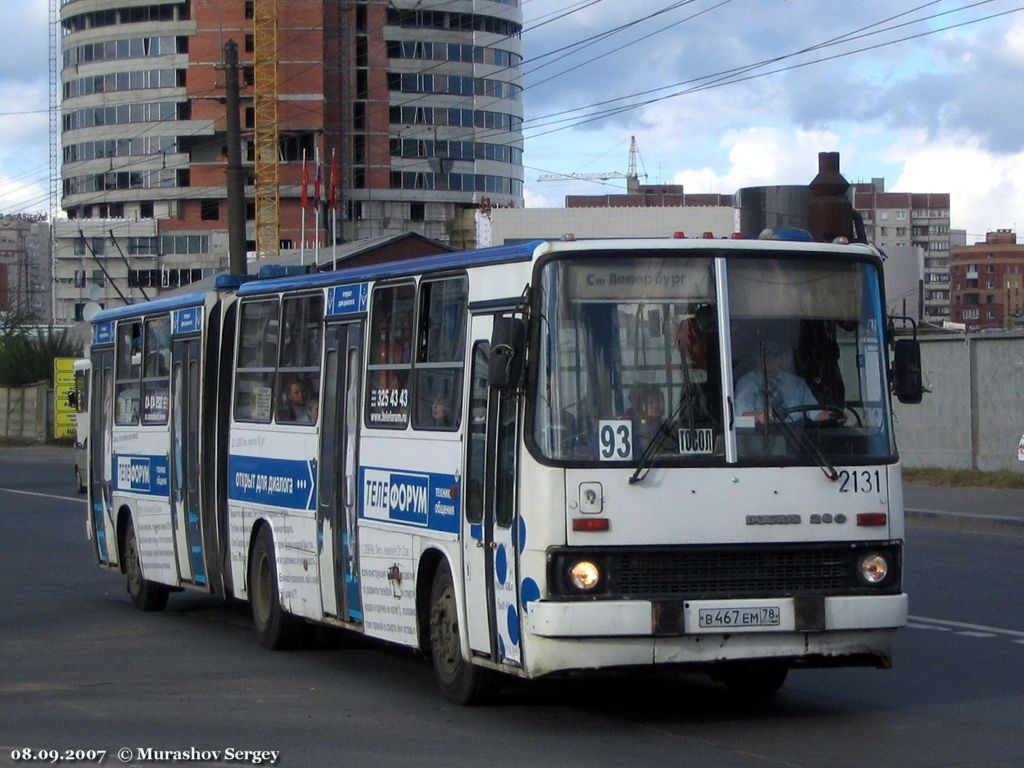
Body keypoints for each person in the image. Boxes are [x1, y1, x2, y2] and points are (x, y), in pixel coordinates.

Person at [734, 339, 843, 424]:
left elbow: (815, 414)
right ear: (756, 356)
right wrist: (760, 417)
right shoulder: (747, 383)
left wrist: (833, 417)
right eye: (765, 353)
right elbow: (740, 417)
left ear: (782, 357)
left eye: (776, 353)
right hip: (764, 441)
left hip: (798, 441)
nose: (770, 358)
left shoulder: (798, 384)